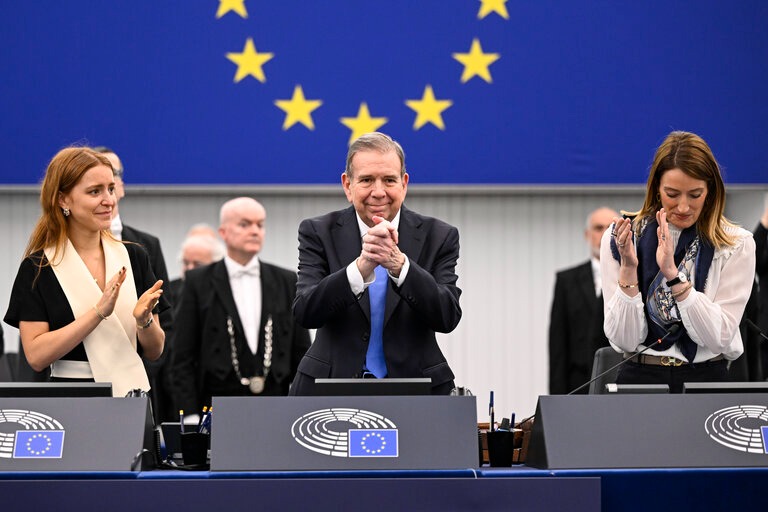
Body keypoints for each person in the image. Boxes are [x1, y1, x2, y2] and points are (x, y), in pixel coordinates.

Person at [289, 132, 462, 396]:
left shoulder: (439, 236)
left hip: (417, 390)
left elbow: (447, 316)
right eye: (367, 180)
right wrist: (360, 269)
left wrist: (400, 266)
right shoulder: (318, 232)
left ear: (404, 184)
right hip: (330, 388)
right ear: (348, 185)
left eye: (389, 180)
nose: (378, 192)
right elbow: (306, 312)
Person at [3, 147, 167, 396]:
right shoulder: (39, 267)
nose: (109, 200)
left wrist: (144, 321)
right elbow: (36, 356)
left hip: (132, 398)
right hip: (71, 398)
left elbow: (155, 351)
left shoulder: (134, 256)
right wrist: (98, 313)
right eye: (95, 192)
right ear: (63, 199)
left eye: (110, 189)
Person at [601, 131, 755, 393]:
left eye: (695, 195)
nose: (683, 207)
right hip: (640, 376)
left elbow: (718, 337)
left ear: (711, 192)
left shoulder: (736, 244)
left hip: (706, 377)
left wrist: (674, 277)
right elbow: (625, 340)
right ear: (656, 189)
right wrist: (628, 268)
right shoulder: (622, 238)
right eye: (672, 194)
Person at [172, 197, 311, 414]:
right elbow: (182, 356)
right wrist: (189, 415)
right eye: (244, 224)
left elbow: (302, 352)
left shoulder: (286, 280)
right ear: (223, 232)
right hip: (215, 408)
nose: (255, 231)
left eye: (260, 225)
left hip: (276, 406)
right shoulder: (198, 282)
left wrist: (302, 409)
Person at [549, 207, 618, 394]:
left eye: (610, 228)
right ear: (587, 234)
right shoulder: (567, 281)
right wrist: (557, 399)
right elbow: (558, 344)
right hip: (577, 385)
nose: (604, 234)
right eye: (598, 228)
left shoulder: (636, 280)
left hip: (621, 381)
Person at [165, 228, 225, 307]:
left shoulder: (226, 291)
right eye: (186, 263)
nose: (190, 269)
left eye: (198, 264)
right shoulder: (169, 292)